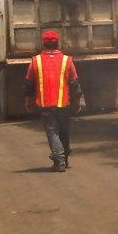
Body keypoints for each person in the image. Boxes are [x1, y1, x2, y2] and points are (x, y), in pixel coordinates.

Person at [24, 30, 82, 172]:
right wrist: (77, 101)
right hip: (64, 102)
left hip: (45, 103)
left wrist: (28, 101)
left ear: (43, 43)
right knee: (64, 130)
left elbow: (29, 84)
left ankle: (59, 159)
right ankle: (64, 156)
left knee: (52, 131)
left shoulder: (35, 61)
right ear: (58, 43)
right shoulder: (67, 60)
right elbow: (74, 83)